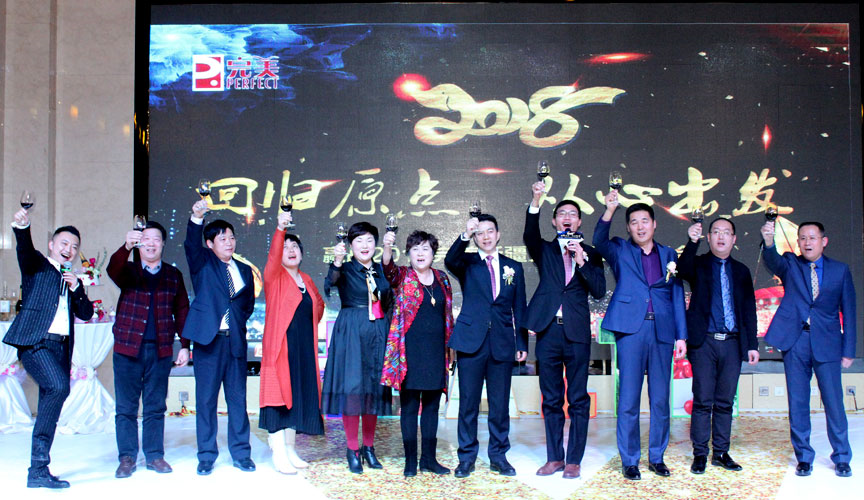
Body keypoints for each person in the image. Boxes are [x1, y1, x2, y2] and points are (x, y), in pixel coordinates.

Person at [592, 192, 687, 480]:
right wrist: (609, 210)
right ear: (628, 227)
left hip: (662, 331)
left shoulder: (669, 255)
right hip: (631, 331)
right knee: (629, 399)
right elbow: (599, 240)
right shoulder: (620, 249)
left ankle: (657, 457)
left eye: (645, 221)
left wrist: (681, 336)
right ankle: (630, 460)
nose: (640, 226)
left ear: (654, 224)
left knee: (660, 399)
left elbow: (676, 295)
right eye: (634, 222)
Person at [3, 208, 93, 488]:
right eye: (64, 243)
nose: (69, 250)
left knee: (49, 404)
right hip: (35, 342)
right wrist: (22, 228)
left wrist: (77, 287)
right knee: (59, 387)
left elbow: (87, 313)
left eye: (75, 247)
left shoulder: (71, 278)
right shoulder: (38, 265)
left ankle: (38, 470)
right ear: (52, 245)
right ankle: (38, 468)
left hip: (61, 348)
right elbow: (25, 250)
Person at [523, 182, 606, 480]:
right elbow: (529, 234)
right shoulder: (544, 249)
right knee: (551, 398)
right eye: (562, 214)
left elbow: (599, 290)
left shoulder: (591, 254)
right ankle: (555, 457)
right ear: (555, 221)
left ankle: (574, 460)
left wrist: (581, 259)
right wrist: (536, 199)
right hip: (548, 331)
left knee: (579, 397)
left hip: (577, 333)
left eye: (572, 214)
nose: (567, 217)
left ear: (579, 222)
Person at [760, 220, 855, 478]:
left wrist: (849, 350)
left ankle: (842, 457)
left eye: (812, 237)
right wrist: (768, 241)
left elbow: (849, 310)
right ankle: (803, 456)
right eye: (802, 238)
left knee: (834, 402)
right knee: (798, 402)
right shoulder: (791, 264)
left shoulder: (840, 270)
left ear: (824, 241)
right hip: (796, 341)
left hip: (828, 343)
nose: (807, 242)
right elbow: (772, 260)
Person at [445, 212, 528, 479]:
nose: (485, 236)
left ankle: (499, 456)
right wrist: (465, 234)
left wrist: (521, 342)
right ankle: (466, 457)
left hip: (502, 343)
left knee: (499, 404)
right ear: (475, 238)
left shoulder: (514, 267)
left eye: (490, 231)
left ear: (498, 234)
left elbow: (520, 308)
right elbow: (450, 259)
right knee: (468, 403)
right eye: (480, 233)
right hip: (471, 342)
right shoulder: (467, 263)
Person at [107, 220, 190, 478]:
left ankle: (154, 456)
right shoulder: (128, 270)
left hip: (160, 350)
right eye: (145, 239)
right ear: (138, 243)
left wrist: (185, 345)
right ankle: (127, 457)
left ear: (163, 243)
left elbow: (182, 311)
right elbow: (112, 269)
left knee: (155, 406)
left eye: (156, 239)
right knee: (126, 407)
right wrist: (125, 246)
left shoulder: (173, 275)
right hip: (127, 348)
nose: (151, 243)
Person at [677, 217, 758, 474]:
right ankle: (700, 453)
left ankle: (721, 452)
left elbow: (749, 309)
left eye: (726, 232)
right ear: (709, 237)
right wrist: (692, 241)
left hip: (733, 343)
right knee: (703, 400)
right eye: (716, 232)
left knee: (725, 402)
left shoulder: (742, 271)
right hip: (704, 343)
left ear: (734, 239)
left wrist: (752, 344)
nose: (721, 236)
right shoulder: (699, 264)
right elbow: (681, 269)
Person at [182, 199, 256, 475]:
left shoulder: (244, 270)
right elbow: (191, 244)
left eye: (232, 237)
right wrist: (196, 217)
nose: (229, 242)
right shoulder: (202, 262)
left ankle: (241, 454)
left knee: (238, 400)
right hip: (208, 342)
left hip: (234, 341)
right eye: (222, 238)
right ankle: (206, 455)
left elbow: (246, 305)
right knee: (206, 401)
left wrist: (235, 324)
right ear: (210, 244)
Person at [381, 229, 453, 477]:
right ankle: (410, 461)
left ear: (433, 253)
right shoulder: (403, 276)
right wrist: (387, 247)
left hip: (436, 352)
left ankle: (429, 460)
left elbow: (447, 316)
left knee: (432, 408)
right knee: (410, 408)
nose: (420, 253)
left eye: (425, 249)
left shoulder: (442, 278)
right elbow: (388, 269)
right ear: (408, 253)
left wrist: (450, 349)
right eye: (415, 249)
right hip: (408, 353)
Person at [321, 222, 393, 474]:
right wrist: (337, 261)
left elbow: (389, 298)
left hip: (377, 332)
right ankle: (352, 449)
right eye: (359, 241)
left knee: (372, 390)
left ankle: (369, 448)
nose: (365, 245)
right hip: (351, 332)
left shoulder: (380, 270)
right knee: (352, 391)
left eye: (369, 240)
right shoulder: (345, 268)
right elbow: (330, 283)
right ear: (350, 245)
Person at [258, 212, 325, 474]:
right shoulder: (274, 276)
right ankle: (278, 451)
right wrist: (280, 229)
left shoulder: (306, 279)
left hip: (303, 350)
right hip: (281, 349)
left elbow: (318, 307)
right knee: (278, 399)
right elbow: (274, 256)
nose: (290, 250)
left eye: (295, 246)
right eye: (286, 246)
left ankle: (290, 448)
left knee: (296, 398)